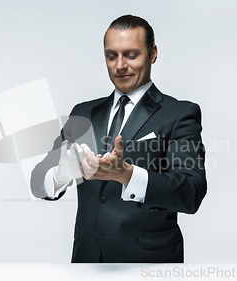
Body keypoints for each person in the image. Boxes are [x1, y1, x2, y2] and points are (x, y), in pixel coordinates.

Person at [30, 15, 206, 263]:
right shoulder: (83, 113)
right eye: (112, 56)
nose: (120, 65)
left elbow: (191, 191)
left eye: (131, 55)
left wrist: (127, 175)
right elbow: (38, 181)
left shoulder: (179, 114)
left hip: (147, 263)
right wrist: (61, 174)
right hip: (87, 261)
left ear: (153, 53)